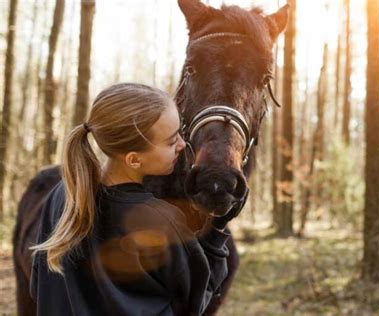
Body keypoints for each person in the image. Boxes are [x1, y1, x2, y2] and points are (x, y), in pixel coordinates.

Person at [30, 83, 238, 316]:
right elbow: (195, 303)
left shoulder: (61, 195)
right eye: (171, 141)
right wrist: (216, 231)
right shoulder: (160, 221)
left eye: (180, 133)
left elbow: (40, 285)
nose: (182, 144)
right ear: (134, 160)